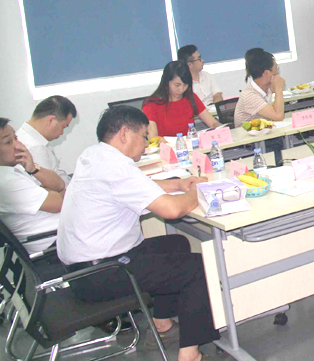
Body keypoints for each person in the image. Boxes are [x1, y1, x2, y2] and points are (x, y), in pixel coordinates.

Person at [57, 106, 217, 361]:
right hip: (101, 273)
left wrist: (178, 184)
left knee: (176, 243)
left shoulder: (95, 155)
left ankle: (162, 324)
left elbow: (138, 186)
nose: (146, 143)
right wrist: (197, 193)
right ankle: (190, 356)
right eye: (143, 136)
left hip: (83, 269)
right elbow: (173, 210)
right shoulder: (115, 167)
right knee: (198, 268)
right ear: (124, 134)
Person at [0, 117, 65, 255]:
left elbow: (59, 185)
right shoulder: (5, 182)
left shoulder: (15, 169)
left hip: (63, 234)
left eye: (16, 138)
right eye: (8, 142)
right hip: (53, 246)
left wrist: (34, 169)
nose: (18, 145)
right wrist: (49, 191)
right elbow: (58, 202)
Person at [142, 61, 220, 139]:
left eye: (185, 85)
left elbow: (213, 123)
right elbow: (153, 137)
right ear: (166, 82)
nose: (181, 90)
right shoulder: (151, 105)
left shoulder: (190, 97)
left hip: (190, 144)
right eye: (177, 85)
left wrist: (221, 129)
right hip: (166, 146)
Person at [17, 95, 77, 184]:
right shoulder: (35, 147)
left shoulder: (25, 134)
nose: (62, 133)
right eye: (63, 127)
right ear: (51, 120)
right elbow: (51, 186)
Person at [233, 48, 285, 126]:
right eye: (276, 68)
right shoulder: (249, 95)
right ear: (267, 73)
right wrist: (278, 88)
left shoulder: (267, 87)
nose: (277, 72)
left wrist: (276, 88)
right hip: (250, 133)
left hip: (265, 131)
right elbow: (278, 116)